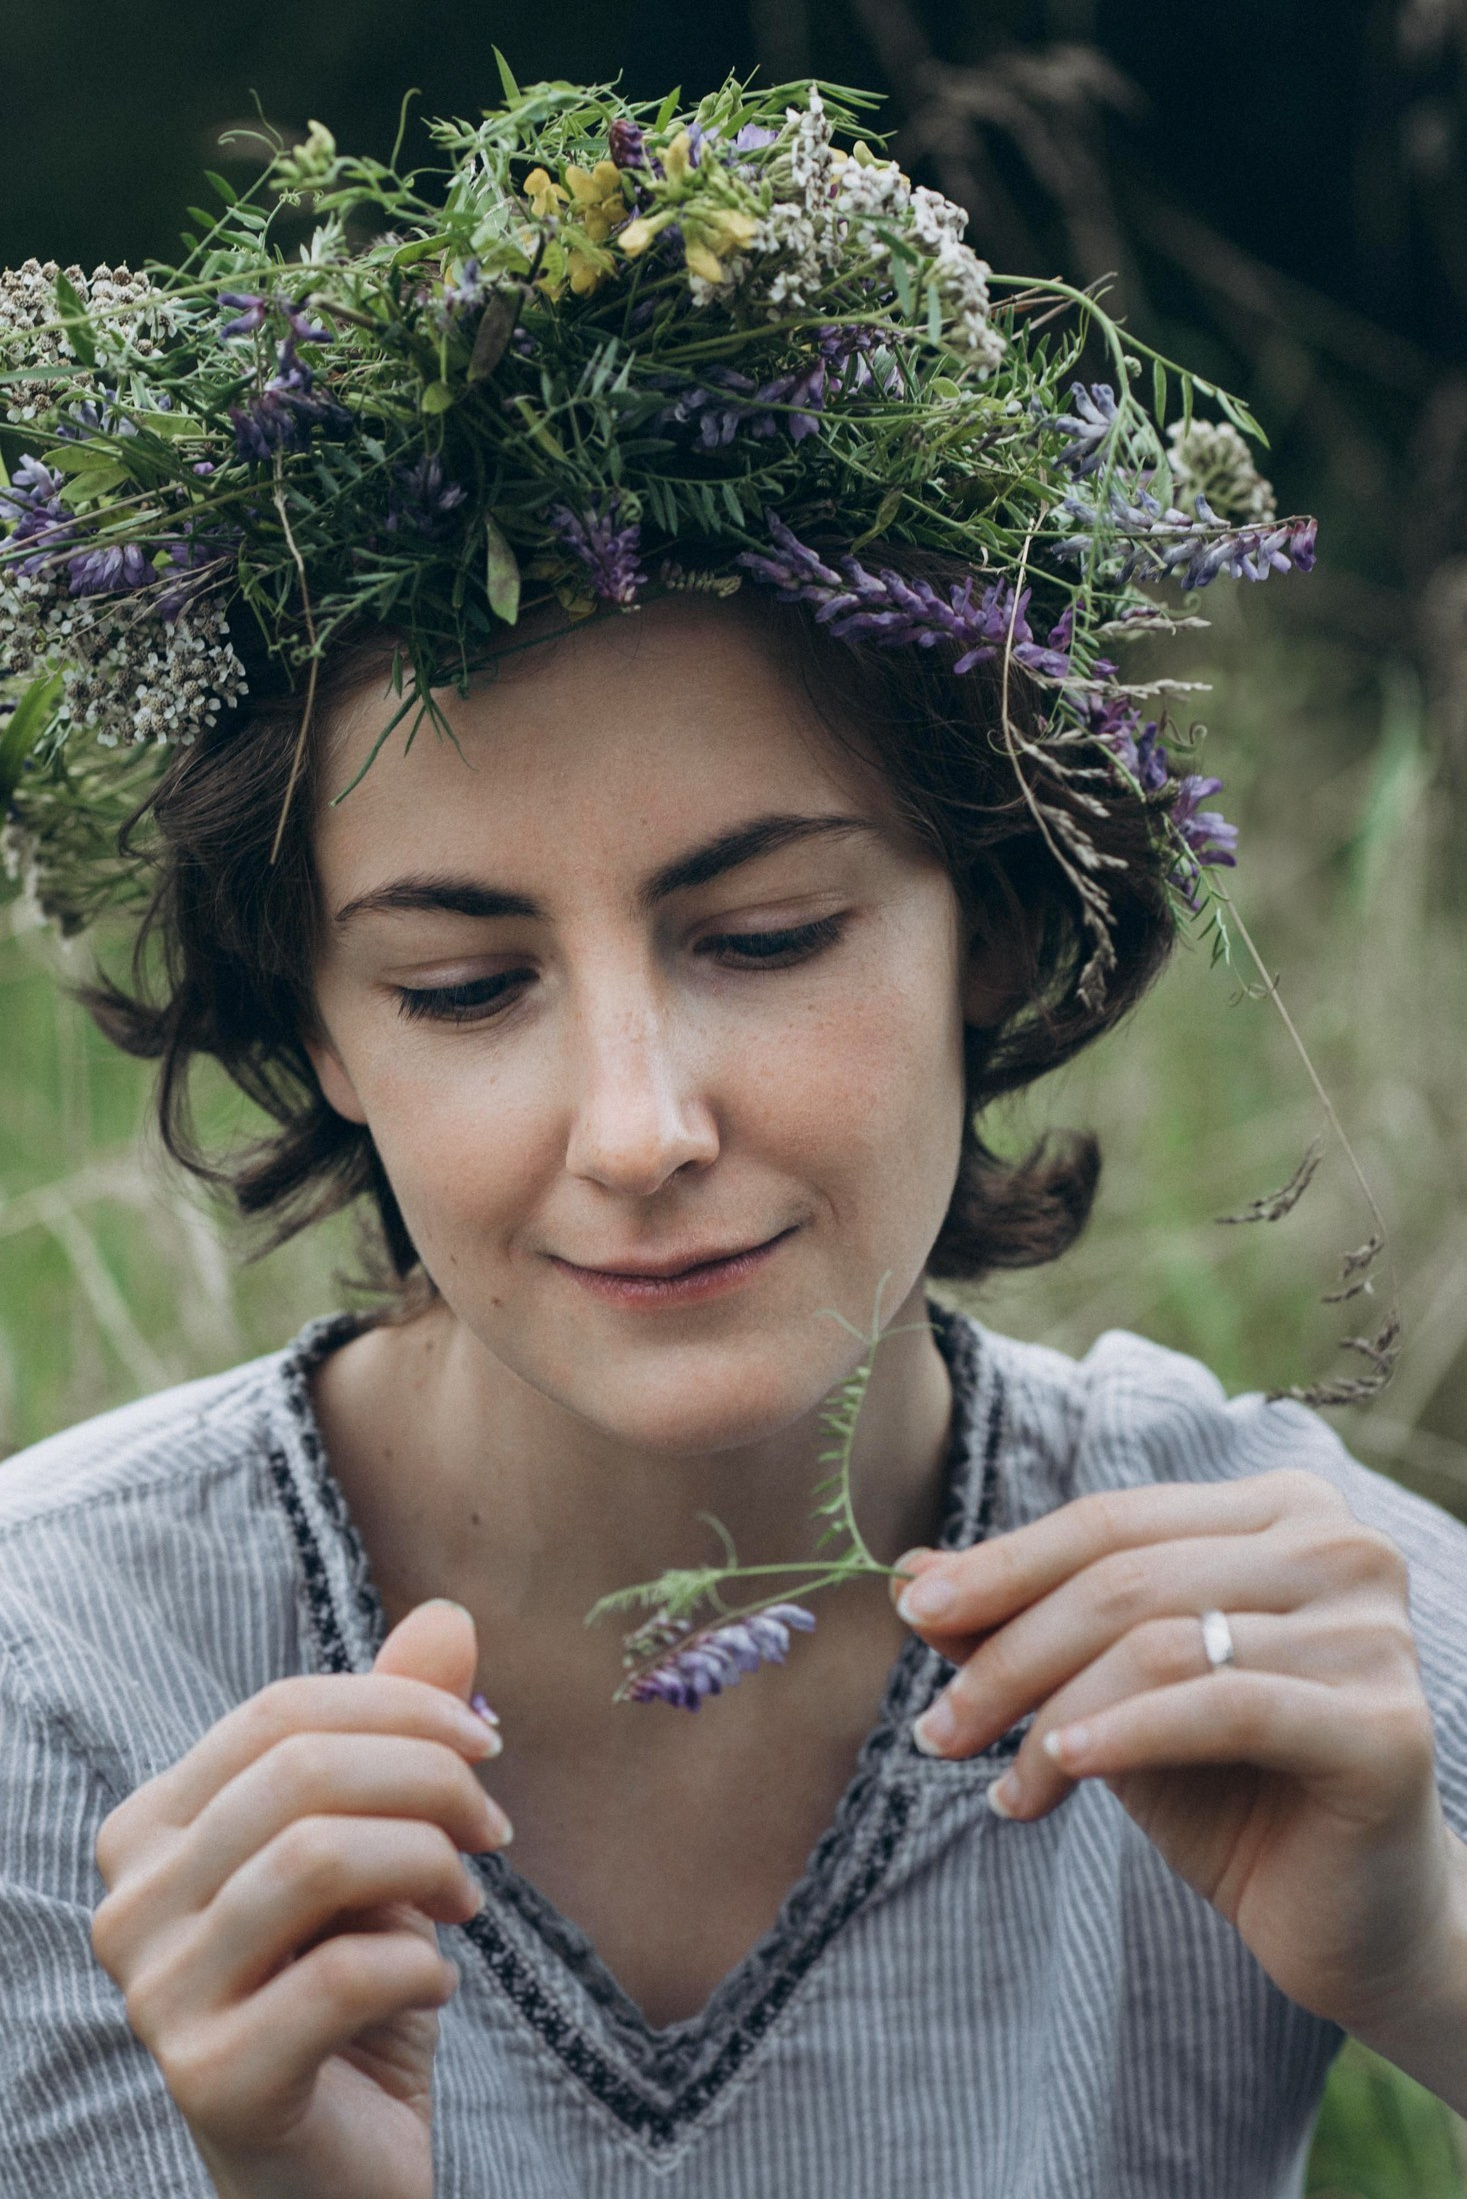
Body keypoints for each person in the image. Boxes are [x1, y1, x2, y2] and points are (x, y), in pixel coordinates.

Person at [0, 73, 1462, 2199]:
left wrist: (1426, 1958)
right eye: (463, 983)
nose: (638, 1126)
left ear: (993, 916)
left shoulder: (1280, 1604)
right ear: (314, 1030)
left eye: (765, 935)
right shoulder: (49, 1679)